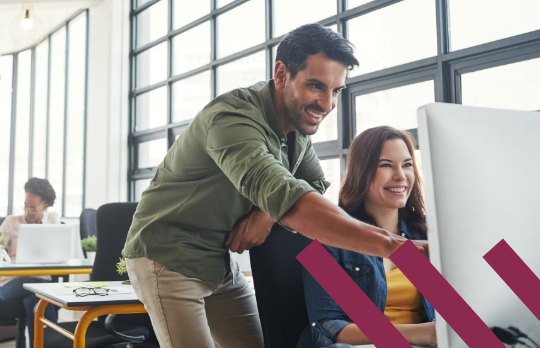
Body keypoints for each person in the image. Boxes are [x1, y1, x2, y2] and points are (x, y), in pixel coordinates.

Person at [122, 24, 428, 348]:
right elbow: (288, 198)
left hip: (218, 262)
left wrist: (266, 215)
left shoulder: (296, 130)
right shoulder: (233, 119)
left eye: (336, 90)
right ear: (281, 74)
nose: (327, 104)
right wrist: (394, 248)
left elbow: (312, 181)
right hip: (167, 256)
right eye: (316, 86)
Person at [298, 126, 437, 347]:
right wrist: (419, 333)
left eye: (407, 164)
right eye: (386, 165)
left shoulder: (427, 232)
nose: (401, 175)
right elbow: (329, 327)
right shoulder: (325, 237)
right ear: (361, 172)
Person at [0, 177, 60, 346]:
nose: (27, 212)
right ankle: (51, 344)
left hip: (40, 282)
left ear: (46, 205)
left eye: (33, 208)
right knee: (39, 292)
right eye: (25, 206)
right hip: (9, 283)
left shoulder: (53, 220)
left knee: (33, 298)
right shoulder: (11, 222)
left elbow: (57, 252)